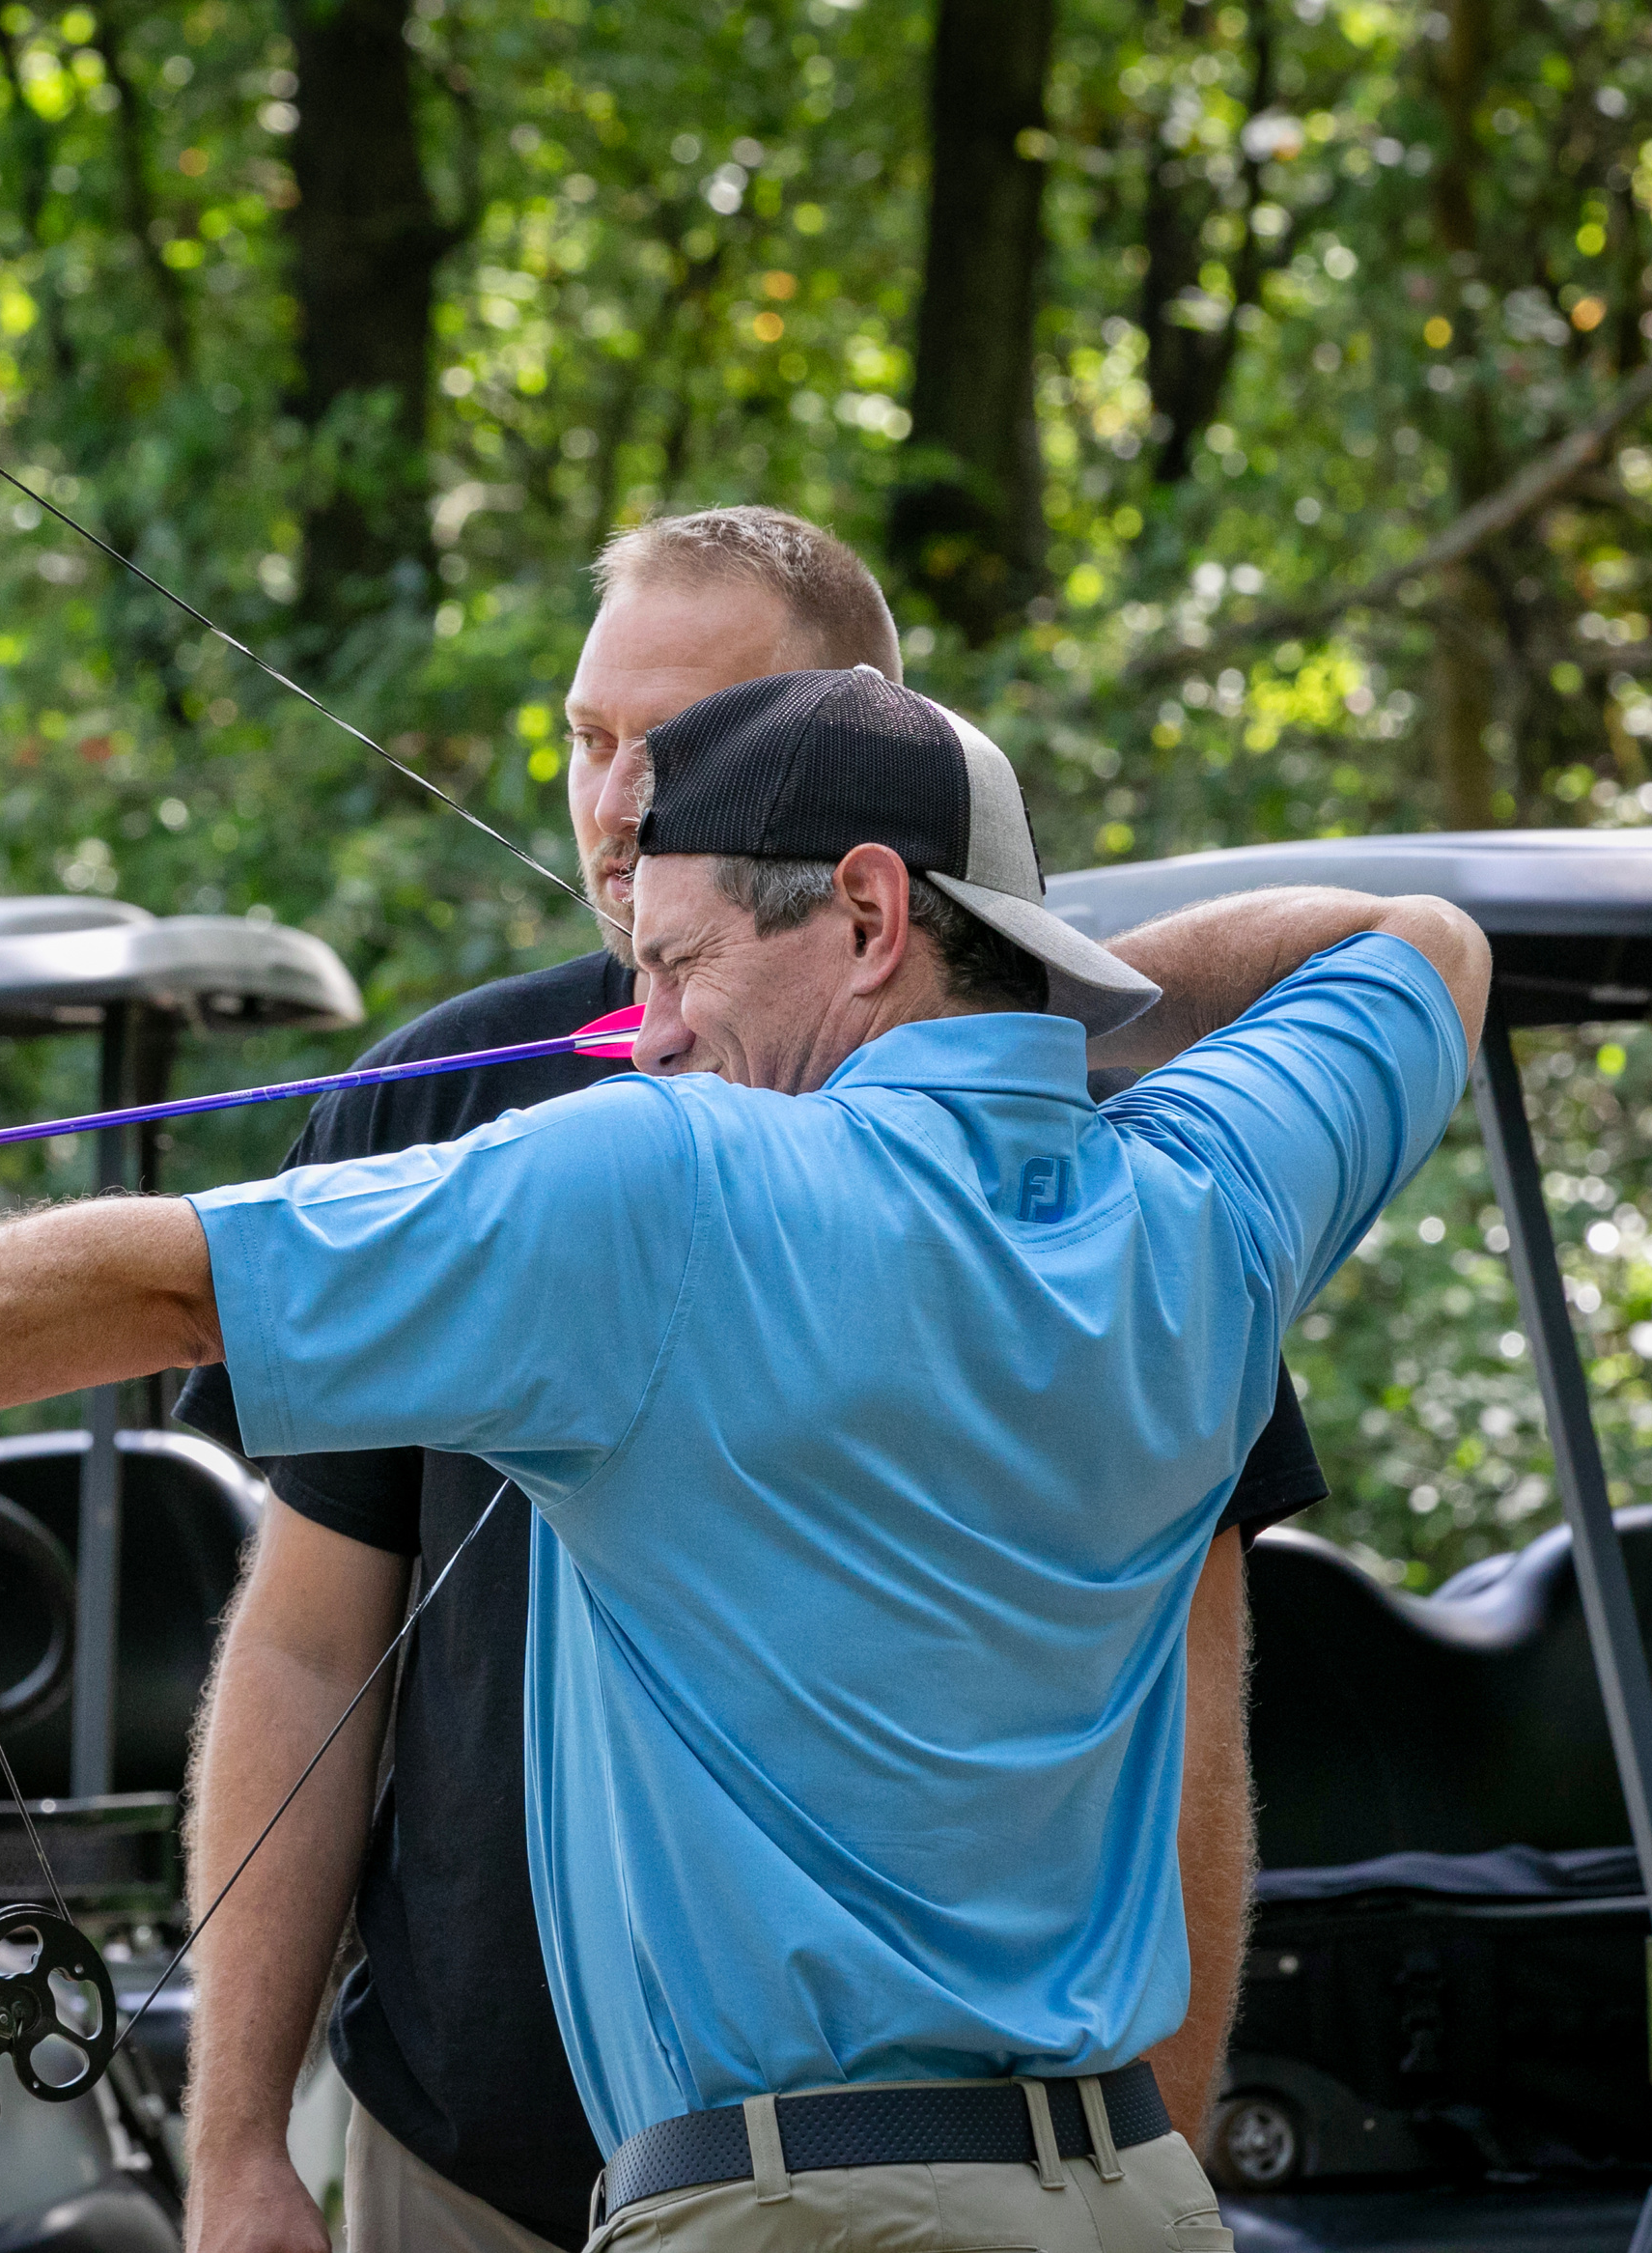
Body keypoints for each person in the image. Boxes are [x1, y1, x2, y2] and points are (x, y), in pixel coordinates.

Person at [0, 666, 1487, 2253]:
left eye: (672, 966)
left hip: (794, 2219)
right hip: (1121, 2201)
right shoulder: (1204, 1203)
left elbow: (162, 1289)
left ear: (863, 912)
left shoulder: (669, 1179)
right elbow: (1415, 941)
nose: (644, 1022)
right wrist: (1049, 1008)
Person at [175, 509, 1337, 2253]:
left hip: (901, 2176)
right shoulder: (438, 1100)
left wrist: (1148, 2148)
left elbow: (1191, 1693)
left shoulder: (1085, 1163)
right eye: (588, 737)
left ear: (863, 767)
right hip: (467, 2151)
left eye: (680, 738)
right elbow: (308, 1641)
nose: (618, 800)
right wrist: (237, 2140)